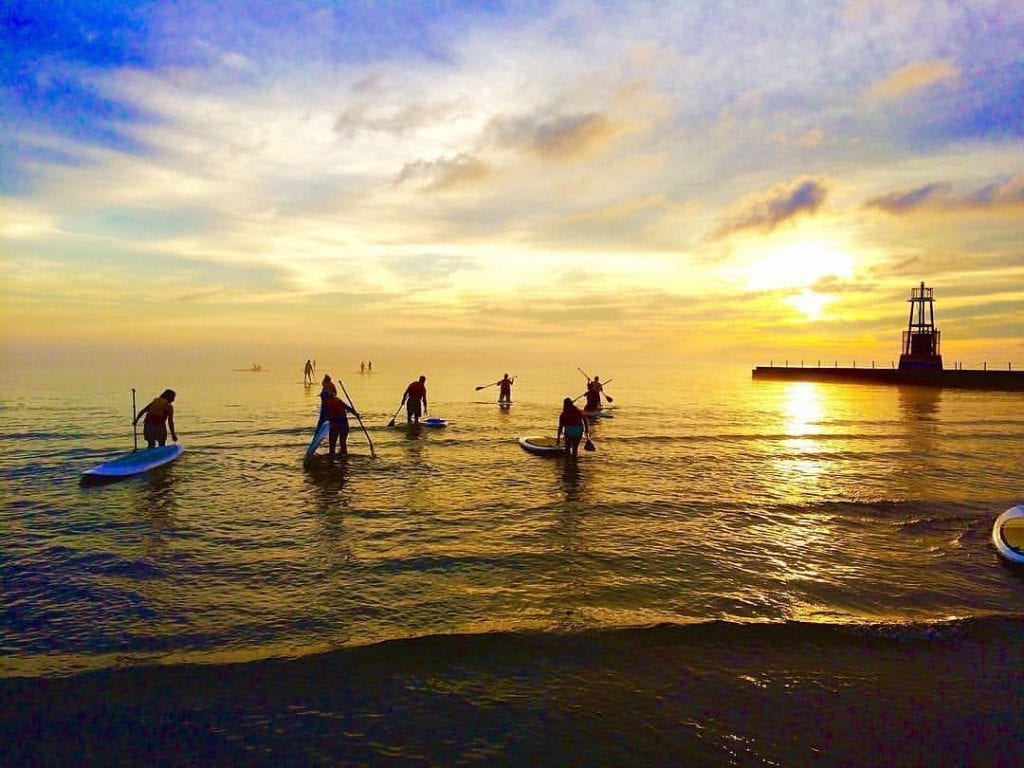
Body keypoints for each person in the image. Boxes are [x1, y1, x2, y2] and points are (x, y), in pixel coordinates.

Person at [318, 389, 359, 458]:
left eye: (322, 398)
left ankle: (332, 460)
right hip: (344, 424)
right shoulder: (338, 400)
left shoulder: (326, 404)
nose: (322, 399)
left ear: (326, 398)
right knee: (343, 443)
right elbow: (348, 408)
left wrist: (318, 430)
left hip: (335, 425)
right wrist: (355, 413)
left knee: (332, 444)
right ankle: (344, 458)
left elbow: (323, 418)